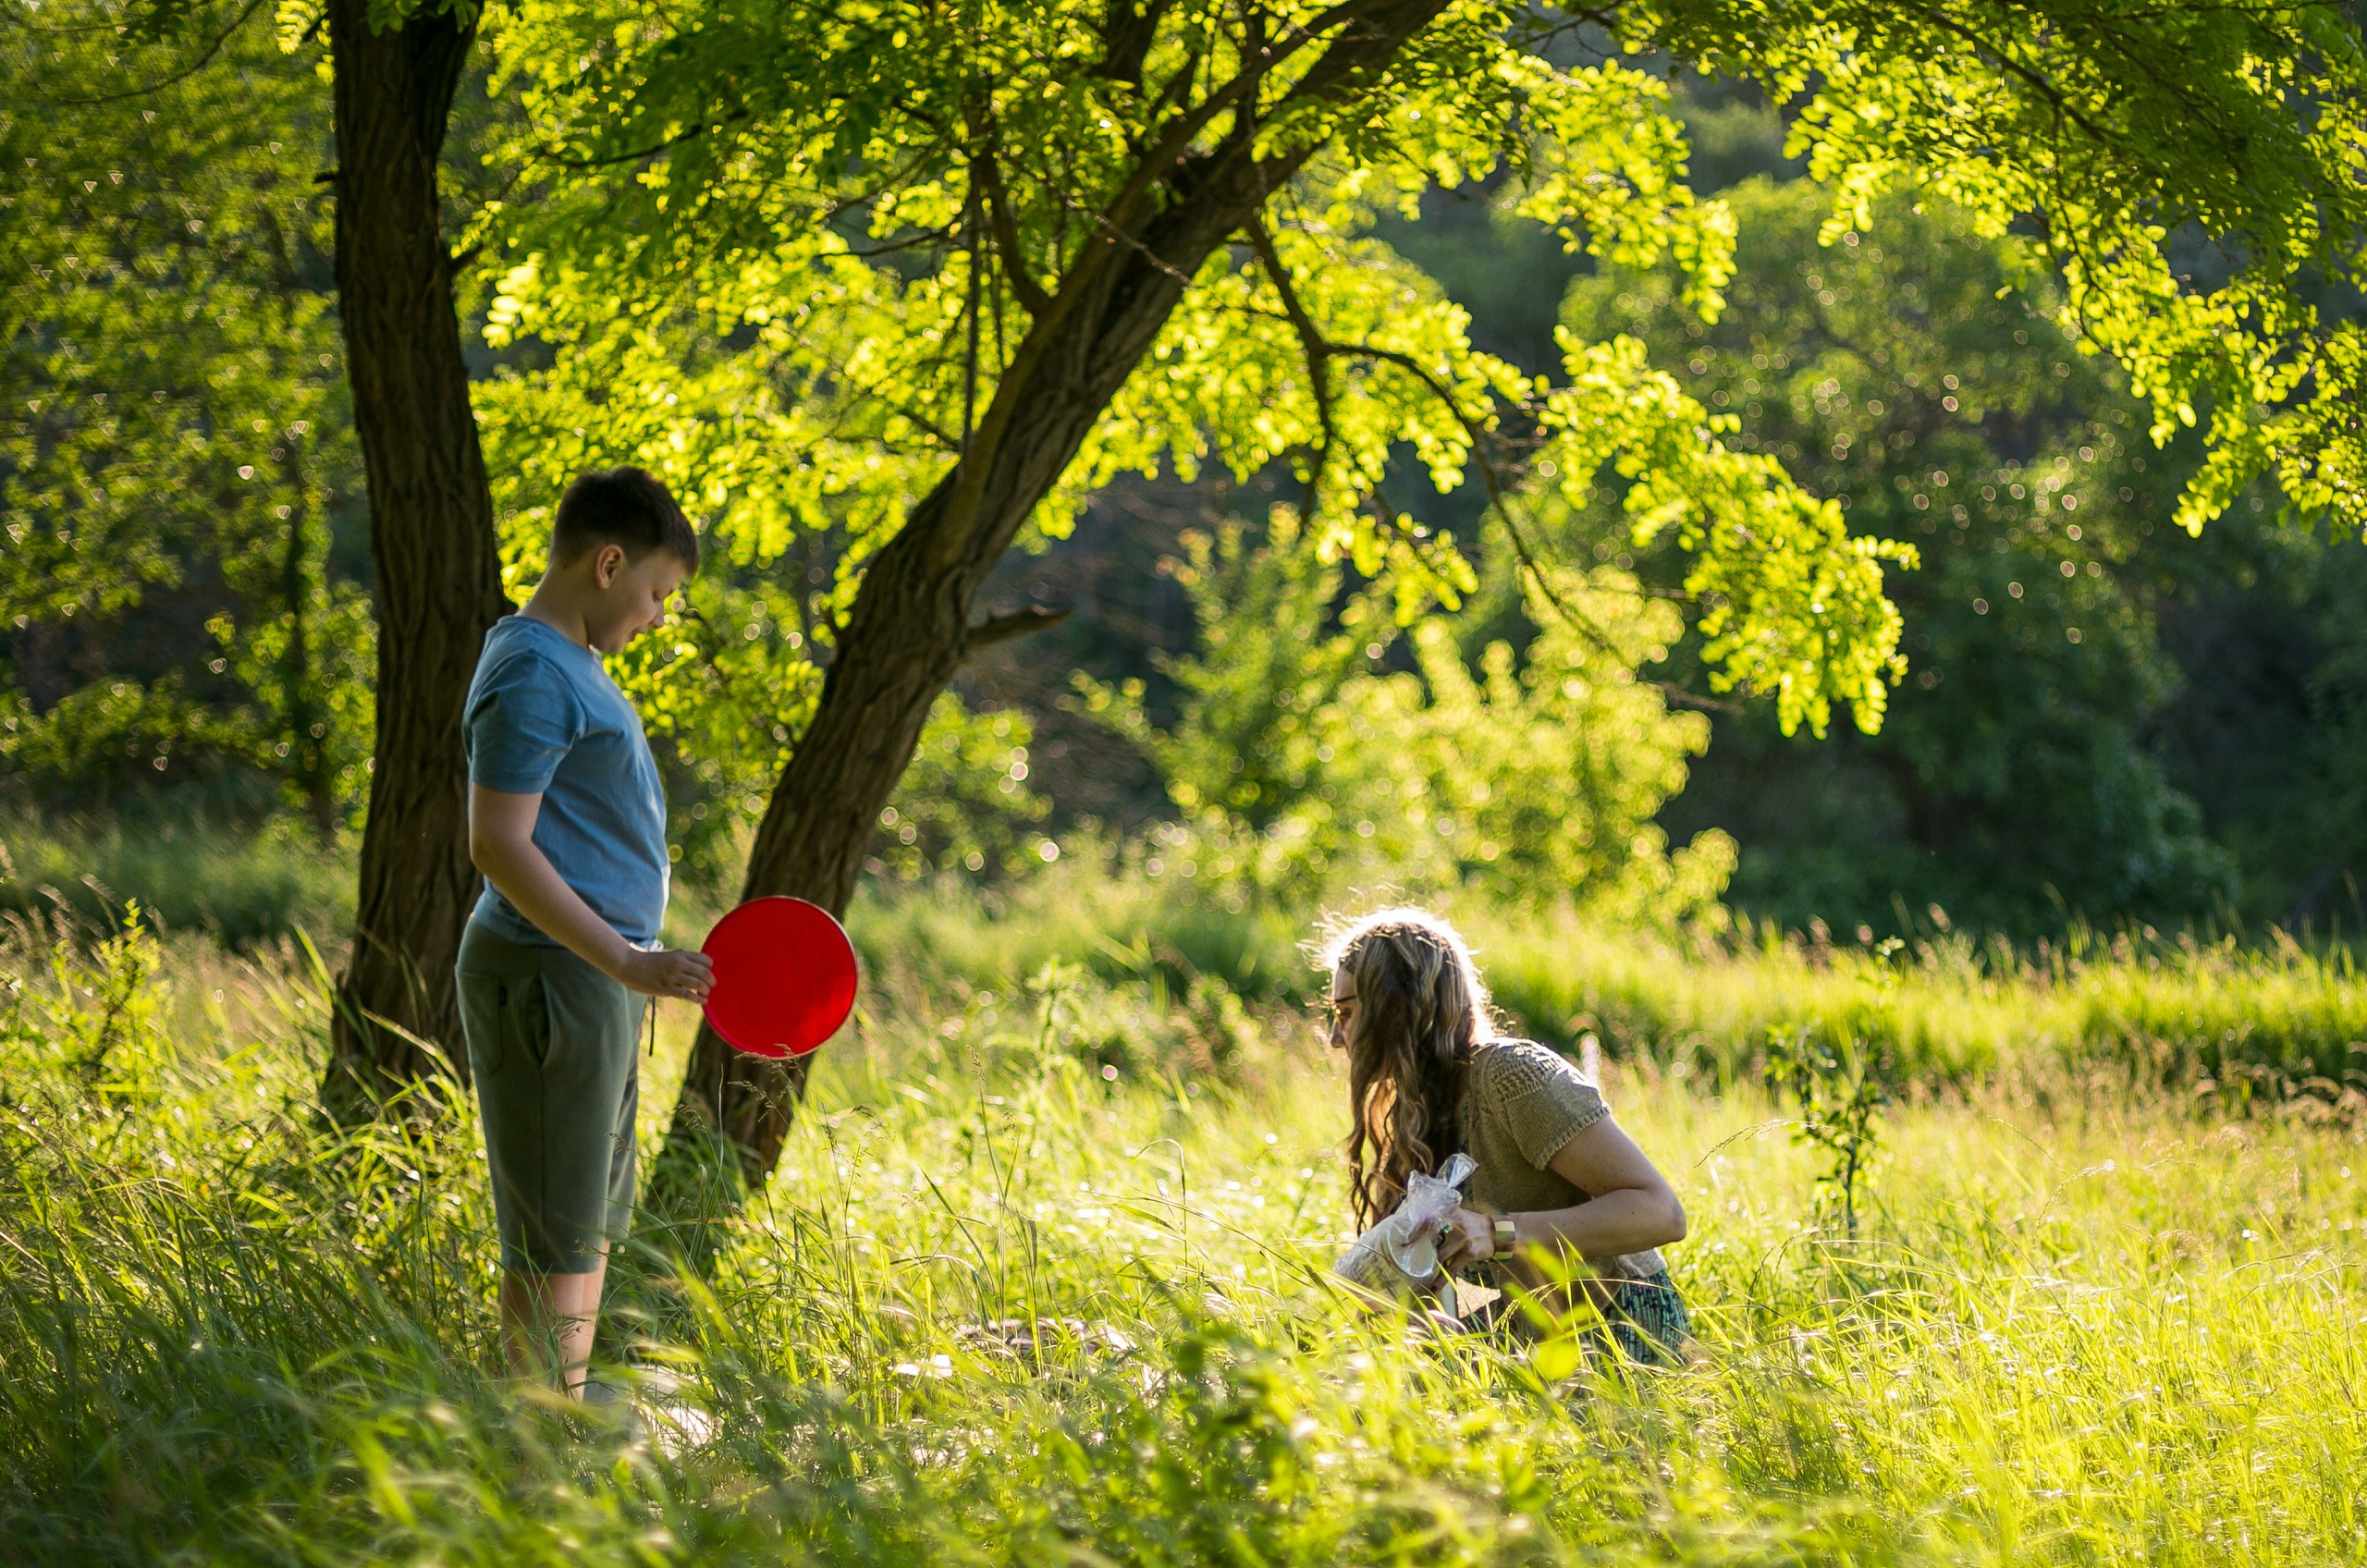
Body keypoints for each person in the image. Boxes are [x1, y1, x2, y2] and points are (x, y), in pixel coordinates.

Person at [457, 465, 716, 1396]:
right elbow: (497, 843)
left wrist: (627, 963)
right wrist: (624, 957)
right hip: (548, 974)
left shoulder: (574, 664)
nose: (656, 616)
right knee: (549, 1230)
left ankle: (558, 1419)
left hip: (591, 976)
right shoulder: (531, 670)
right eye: (655, 593)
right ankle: (533, 1445)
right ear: (609, 564)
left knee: (585, 1218)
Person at [1320, 907, 1692, 1365]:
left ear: (1399, 1005)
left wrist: (1498, 1232)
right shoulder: (1418, 1111)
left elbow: (1662, 1213)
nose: (1336, 1037)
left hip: (1621, 1319)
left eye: (1346, 1011)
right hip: (1532, 1332)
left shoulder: (1512, 1074)